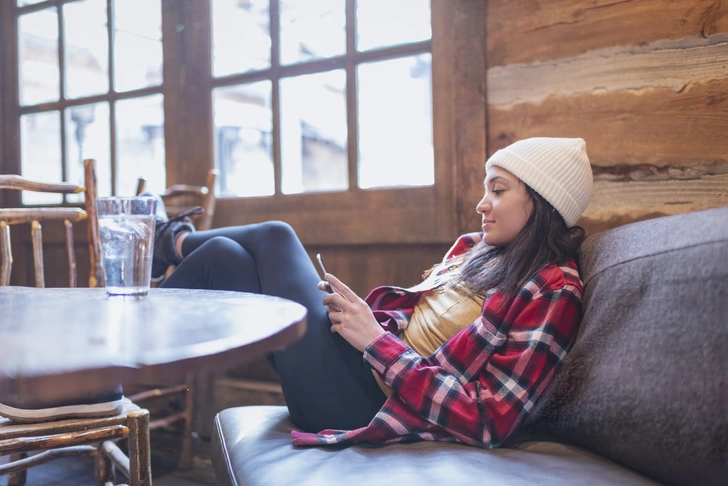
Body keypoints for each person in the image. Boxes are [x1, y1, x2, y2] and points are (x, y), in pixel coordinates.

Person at [149, 136, 593, 448]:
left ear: (541, 203)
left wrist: (375, 343)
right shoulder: (480, 251)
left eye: (498, 191)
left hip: (370, 404)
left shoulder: (553, 291)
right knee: (226, 256)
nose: (482, 204)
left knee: (275, 236)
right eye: (485, 190)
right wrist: (362, 321)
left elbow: (489, 420)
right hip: (363, 365)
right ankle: (110, 373)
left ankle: (166, 242)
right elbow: (418, 332)